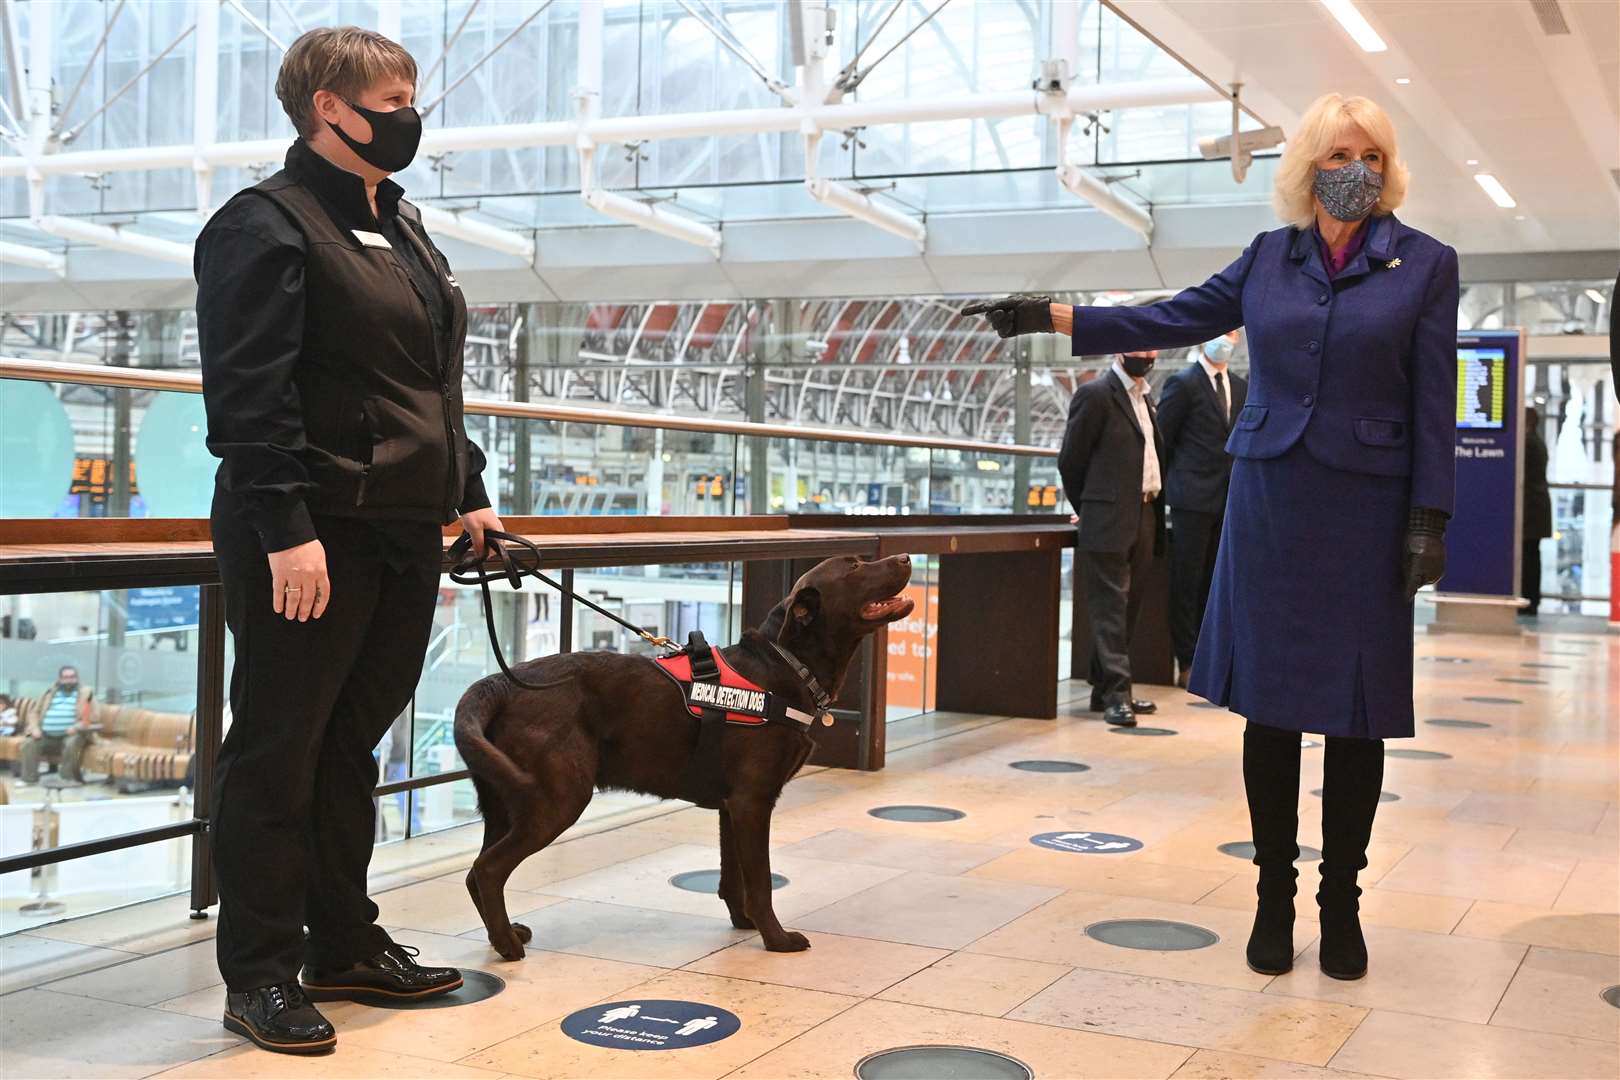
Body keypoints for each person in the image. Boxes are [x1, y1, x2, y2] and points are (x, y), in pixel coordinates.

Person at [964, 93, 1458, 982]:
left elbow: (1432, 399)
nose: (1360, 171)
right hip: (1270, 503)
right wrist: (1055, 316)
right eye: (1343, 154)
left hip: (1368, 512)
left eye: (1375, 157)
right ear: (1310, 166)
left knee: (1357, 714)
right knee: (1270, 710)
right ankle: (1273, 893)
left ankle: (1340, 901)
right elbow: (1175, 316)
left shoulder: (1424, 264)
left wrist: (1430, 520)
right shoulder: (1271, 259)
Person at [196, 26, 502, 1054]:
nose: (408, 111)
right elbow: (249, 394)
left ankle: (344, 943)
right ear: (328, 107)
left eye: (411, 92)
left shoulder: (400, 223)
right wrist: (284, 527)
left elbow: (432, 383)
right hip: (311, 533)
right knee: (279, 752)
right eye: (390, 95)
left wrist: (470, 491)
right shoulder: (263, 227)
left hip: (405, 530)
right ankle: (260, 974)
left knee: (349, 748)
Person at [1056, 351, 1167, 728]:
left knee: (1129, 605)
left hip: (1145, 512)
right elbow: (1071, 460)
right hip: (1107, 516)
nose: (1149, 355)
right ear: (1120, 351)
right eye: (1141, 349)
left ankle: (1104, 688)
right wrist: (1089, 506)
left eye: (1153, 348)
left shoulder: (1146, 398)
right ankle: (1118, 695)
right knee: (1110, 609)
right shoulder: (1095, 395)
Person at [1158, 331, 1248, 686]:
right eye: (1219, 334)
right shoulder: (1183, 383)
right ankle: (1186, 658)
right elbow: (1163, 439)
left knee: (1216, 581)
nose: (1224, 341)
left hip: (1227, 499)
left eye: (1231, 334)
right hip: (1190, 499)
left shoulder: (1240, 386)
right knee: (1187, 580)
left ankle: (1212, 658)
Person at [19, 666, 93, 784]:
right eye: (66, 677)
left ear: (77, 678)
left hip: (72, 734)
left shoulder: (86, 694)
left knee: (71, 743)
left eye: (72, 677)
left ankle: (66, 779)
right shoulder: (48, 693)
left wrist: (77, 727)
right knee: (29, 743)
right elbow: (34, 712)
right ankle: (29, 779)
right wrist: (35, 728)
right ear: (60, 679)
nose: (69, 680)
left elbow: (92, 717)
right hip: (45, 734)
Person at [1521, 406, 1552, 617]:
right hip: (1537, 508)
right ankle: (1532, 599)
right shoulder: (1538, 442)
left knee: (1529, 556)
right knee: (1533, 555)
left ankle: (1529, 600)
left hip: (1532, 509)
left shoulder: (1529, 443)